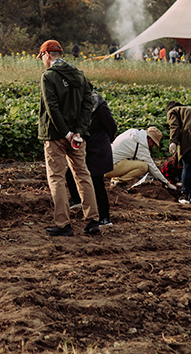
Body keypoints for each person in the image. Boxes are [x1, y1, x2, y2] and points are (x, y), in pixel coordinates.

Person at [37, 39, 100, 237]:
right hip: (77, 137)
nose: (43, 61)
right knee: (83, 175)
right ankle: (93, 220)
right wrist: (78, 132)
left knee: (56, 177)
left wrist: (66, 133)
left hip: (56, 135)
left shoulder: (48, 76)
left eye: (42, 57)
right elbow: (87, 105)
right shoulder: (79, 75)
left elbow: (52, 108)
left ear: (47, 55)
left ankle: (63, 224)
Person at [66, 90, 118, 228]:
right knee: (70, 174)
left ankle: (105, 218)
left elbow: (112, 126)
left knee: (97, 183)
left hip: (99, 149)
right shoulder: (77, 105)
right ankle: (77, 200)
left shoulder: (99, 105)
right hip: (85, 148)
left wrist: (108, 140)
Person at [105, 126, 176, 191]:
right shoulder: (141, 145)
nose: (152, 146)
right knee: (144, 166)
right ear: (149, 139)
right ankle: (118, 182)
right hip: (110, 169)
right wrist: (167, 183)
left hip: (104, 164)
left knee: (130, 160)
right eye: (153, 143)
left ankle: (115, 180)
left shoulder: (132, 133)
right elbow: (152, 167)